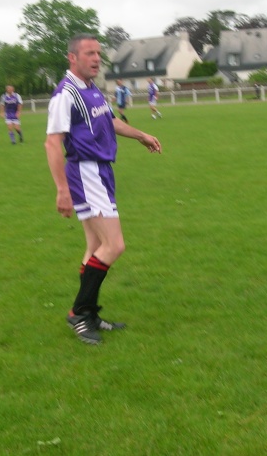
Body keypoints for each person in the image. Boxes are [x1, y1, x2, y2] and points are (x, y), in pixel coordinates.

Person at [45, 33, 162, 345]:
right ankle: (79, 313)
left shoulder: (92, 89)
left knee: (95, 248)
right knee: (114, 245)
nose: (96, 59)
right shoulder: (65, 94)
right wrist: (62, 189)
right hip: (86, 173)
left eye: (98, 53)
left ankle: (90, 314)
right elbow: (52, 142)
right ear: (73, 58)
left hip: (100, 172)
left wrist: (141, 135)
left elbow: (109, 122)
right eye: (89, 53)